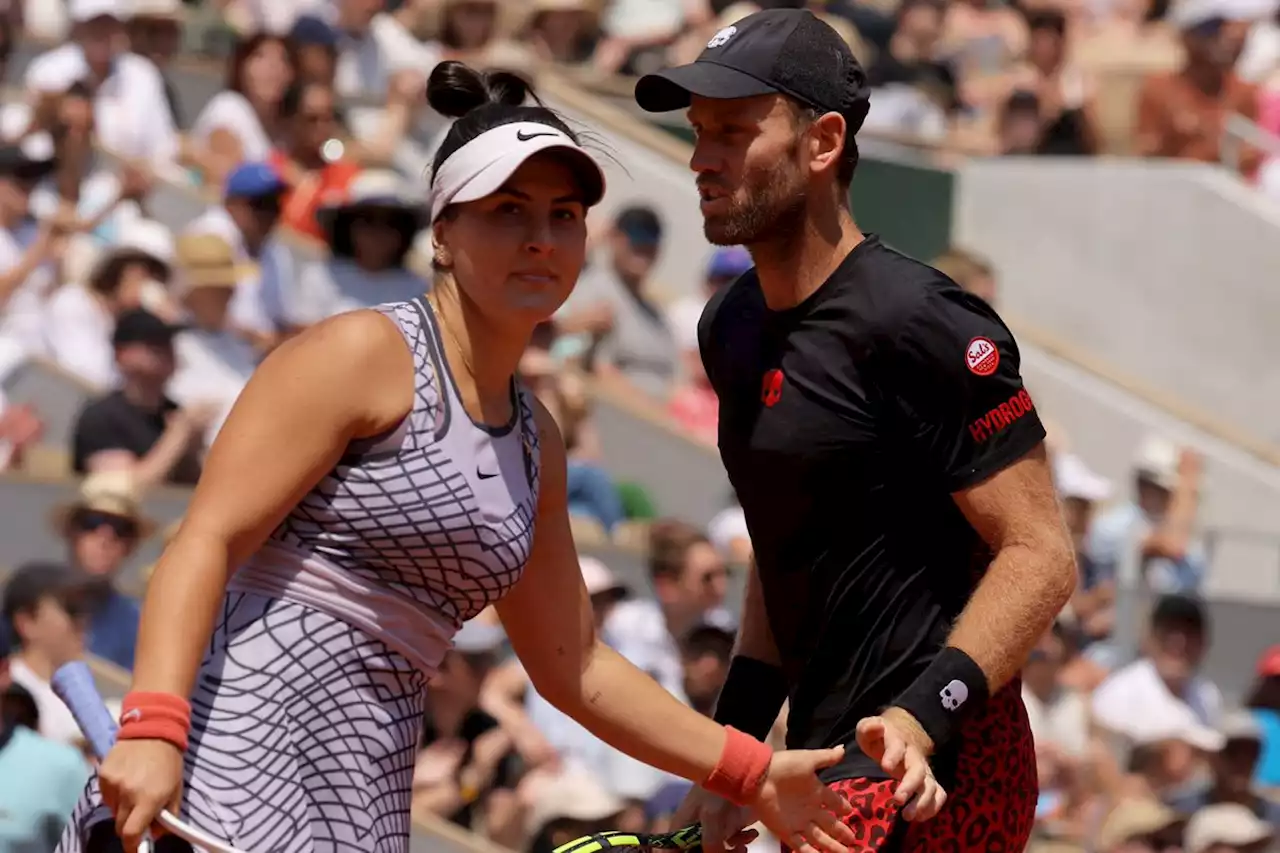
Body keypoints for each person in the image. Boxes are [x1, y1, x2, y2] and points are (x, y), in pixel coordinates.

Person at [56, 62, 859, 853]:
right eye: (508, 210)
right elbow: (204, 540)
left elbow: (575, 665)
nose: (541, 240)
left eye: (564, 215)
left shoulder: (536, 436)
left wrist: (749, 771)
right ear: (443, 231)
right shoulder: (360, 352)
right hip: (216, 765)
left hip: (362, 800)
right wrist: (153, 728)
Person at [634, 8, 1077, 853]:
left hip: (945, 772)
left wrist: (922, 711)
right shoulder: (728, 326)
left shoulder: (922, 321)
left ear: (823, 142)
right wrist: (732, 759)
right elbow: (781, 548)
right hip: (829, 760)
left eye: (731, 132)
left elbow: (1042, 553)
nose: (701, 159)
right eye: (698, 134)